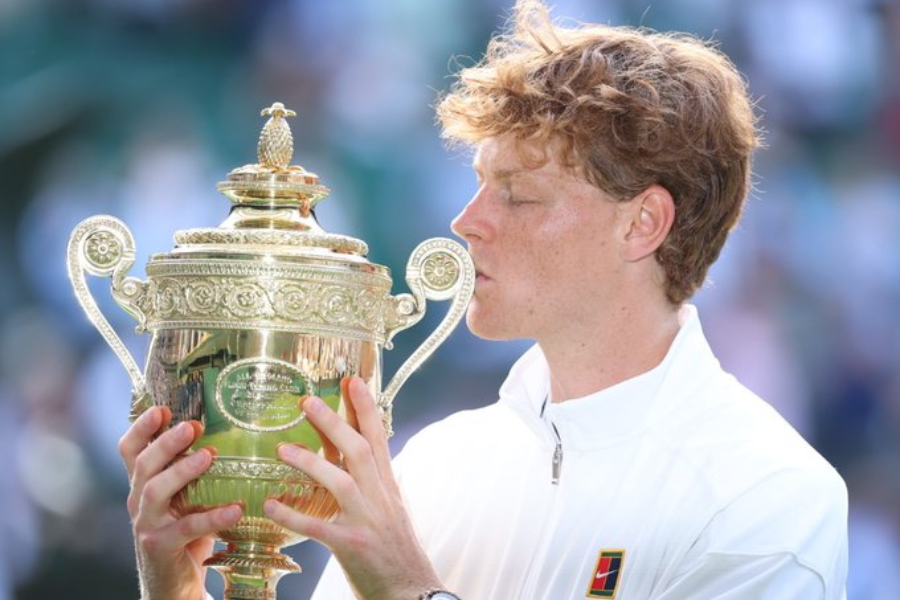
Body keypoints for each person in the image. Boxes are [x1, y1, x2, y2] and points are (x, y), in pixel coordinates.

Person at [117, 1, 849, 599]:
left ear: (642, 223)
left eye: (518, 195)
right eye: (477, 185)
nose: (468, 222)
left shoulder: (767, 496)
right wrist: (176, 589)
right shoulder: (437, 463)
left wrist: (409, 590)